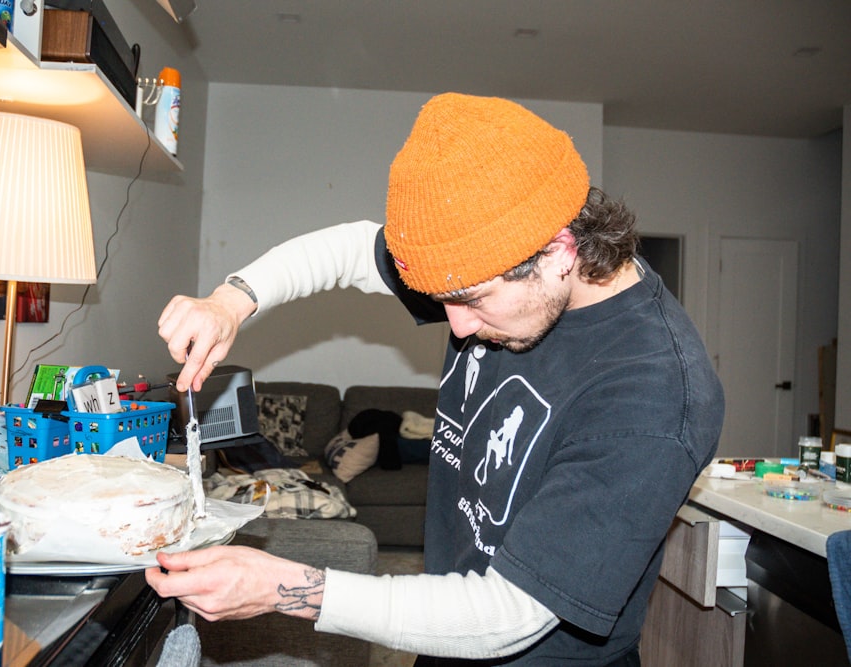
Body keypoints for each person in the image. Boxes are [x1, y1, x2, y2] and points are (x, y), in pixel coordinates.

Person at [148, 92, 724, 666]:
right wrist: (230, 301)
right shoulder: (487, 258)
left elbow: (509, 615)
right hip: (444, 635)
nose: (456, 325)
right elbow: (351, 250)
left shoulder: (654, 393)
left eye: (472, 299)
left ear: (558, 252)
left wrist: (282, 588)